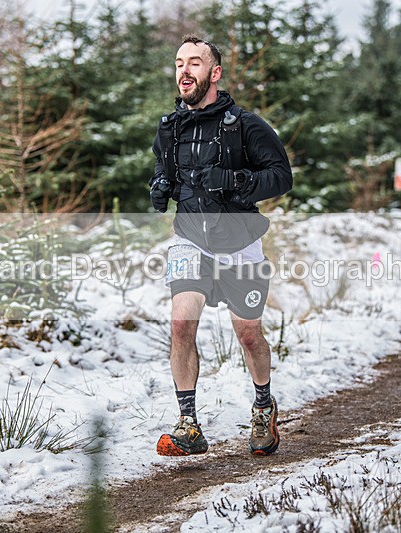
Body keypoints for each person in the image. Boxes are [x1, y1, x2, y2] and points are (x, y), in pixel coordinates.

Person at [149, 35, 293, 456]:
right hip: (190, 239)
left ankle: (264, 406)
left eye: (194, 63)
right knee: (180, 324)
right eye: (179, 63)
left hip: (240, 244)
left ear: (214, 73)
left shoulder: (245, 125)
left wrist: (239, 182)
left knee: (248, 334)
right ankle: (188, 425)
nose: (184, 71)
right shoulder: (169, 128)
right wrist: (161, 187)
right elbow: (165, 171)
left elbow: (281, 176)